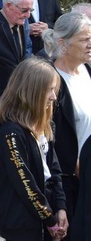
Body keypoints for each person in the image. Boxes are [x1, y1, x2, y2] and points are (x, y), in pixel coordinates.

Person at [0, 57, 68, 240]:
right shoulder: (10, 131)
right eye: (49, 90)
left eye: (54, 89)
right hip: (21, 221)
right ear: (31, 91)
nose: (53, 96)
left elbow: (53, 170)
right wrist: (49, 219)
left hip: (46, 212)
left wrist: (61, 207)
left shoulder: (43, 124)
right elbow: (25, 182)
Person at [45, 12, 91, 223]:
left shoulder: (88, 70)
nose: (90, 43)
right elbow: (47, 132)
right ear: (62, 43)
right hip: (70, 180)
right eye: (84, 39)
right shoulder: (49, 78)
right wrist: (74, 163)